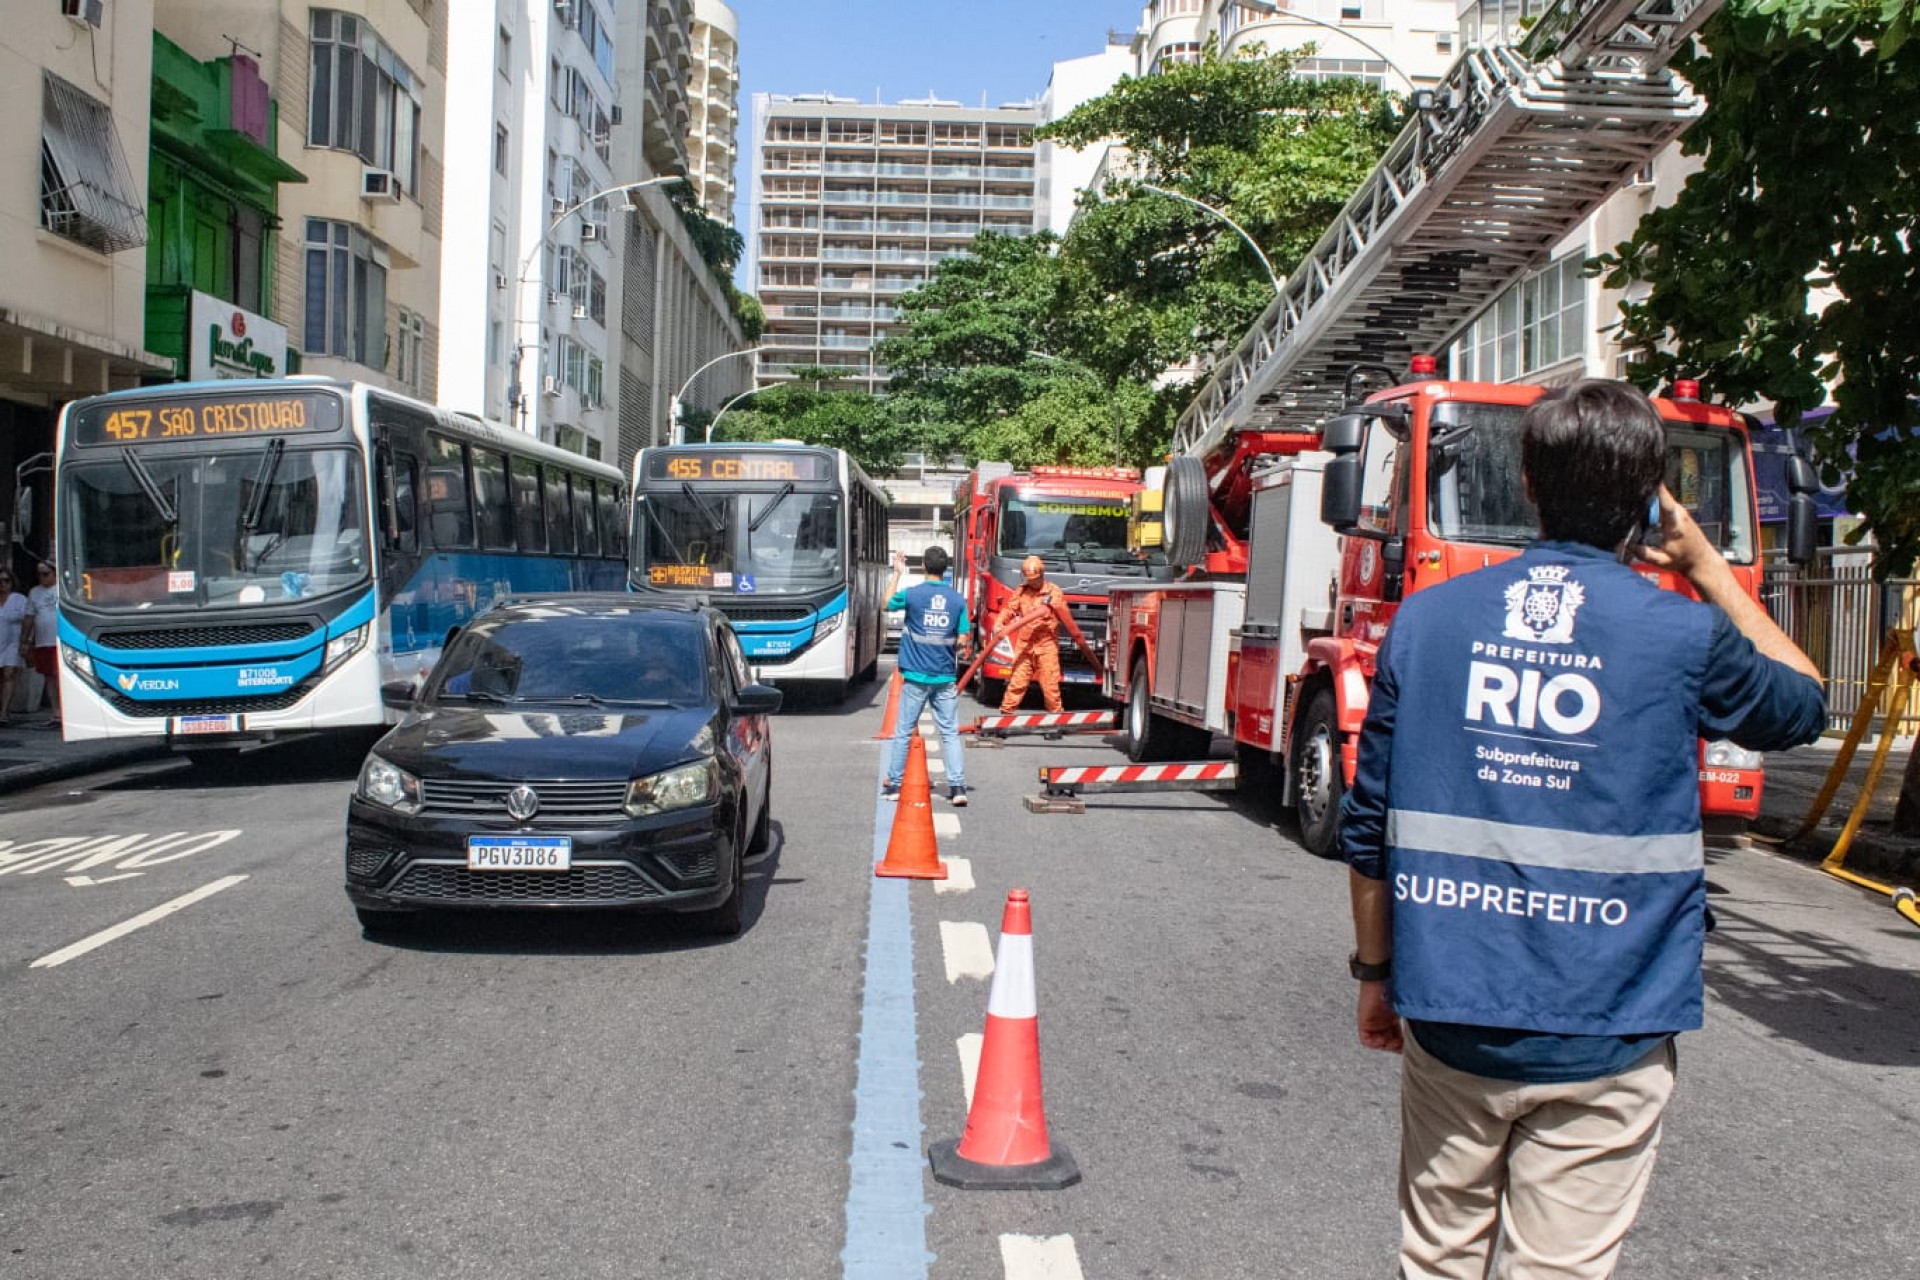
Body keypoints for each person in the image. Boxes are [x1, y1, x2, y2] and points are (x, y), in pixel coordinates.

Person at [1340, 379, 1825, 1280]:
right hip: (1610, 1024)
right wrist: (1707, 567)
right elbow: (1803, 701)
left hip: (1453, 1010)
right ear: (1651, 494)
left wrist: (1375, 975)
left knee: (1436, 1260)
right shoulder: (1683, 636)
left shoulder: (1429, 621)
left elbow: (1367, 824)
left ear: (1527, 483)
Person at [883, 546, 969, 807]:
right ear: (945, 568)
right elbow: (963, 640)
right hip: (944, 677)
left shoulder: (913, 595)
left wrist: (897, 573)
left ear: (923, 566)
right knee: (949, 733)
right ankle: (957, 787)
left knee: (903, 732)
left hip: (915, 676)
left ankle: (895, 786)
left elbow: (886, 603)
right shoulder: (957, 600)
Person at [995, 555, 1066, 715]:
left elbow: (1060, 612)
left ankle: (1056, 718)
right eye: (1029, 579)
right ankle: (1005, 715)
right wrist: (999, 623)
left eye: (1034, 579)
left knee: (1050, 686)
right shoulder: (1021, 591)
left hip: (1046, 646)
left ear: (1041, 575)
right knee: (1016, 683)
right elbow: (1009, 609)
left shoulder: (1053, 592)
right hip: (1025, 645)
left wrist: (1050, 609)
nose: (1032, 582)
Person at [27, 561, 60, 728]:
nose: (42, 577)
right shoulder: (34, 592)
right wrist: (25, 640)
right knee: (49, 677)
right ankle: (56, 713)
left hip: (61, 640)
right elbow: (29, 617)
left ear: (54, 573)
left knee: (60, 676)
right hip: (43, 641)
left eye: (45, 574)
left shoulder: (63, 589)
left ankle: (67, 713)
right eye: (39, 574)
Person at [0, 569, 25, 728]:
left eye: (6, 580)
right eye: (0, 581)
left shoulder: (19, 599)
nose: (3, 584)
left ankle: (4, 712)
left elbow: (26, 616)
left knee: (8, 674)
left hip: (13, 642)